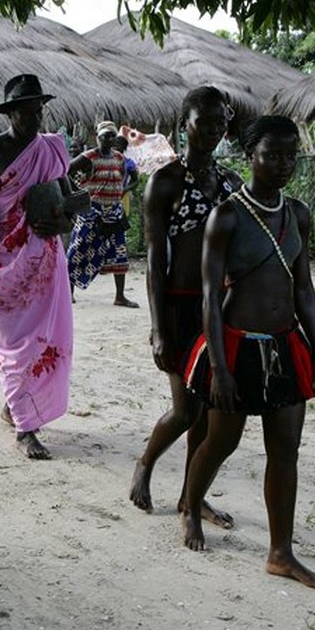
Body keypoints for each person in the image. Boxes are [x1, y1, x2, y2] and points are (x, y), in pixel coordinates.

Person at [181, 116, 315, 591]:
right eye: (273, 155)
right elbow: (208, 297)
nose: (284, 164)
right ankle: (190, 504)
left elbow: (303, 287)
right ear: (252, 156)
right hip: (237, 346)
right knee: (221, 441)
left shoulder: (298, 214)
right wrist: (221, 370)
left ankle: (280, 553)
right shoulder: (226, 216)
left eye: (291, 155)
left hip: (286, 346)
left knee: (285, 451)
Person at [130, 86, 242, 526]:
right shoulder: (165, 182)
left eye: (220, 124)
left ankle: (191, 497)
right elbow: (156, 262)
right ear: (185, 125)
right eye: (204, 123)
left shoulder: (231, 183)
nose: (213, 131)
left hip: (220, 307)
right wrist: (159, 328)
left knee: (213, 410)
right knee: (186, 408)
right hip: (178, 306)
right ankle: (146, 463)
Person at [0, 73, 74, 460]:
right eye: (26, 112)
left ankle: (21, 416)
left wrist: (62, 224)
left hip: (46, 259)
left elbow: (66, 203)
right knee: (12, 343)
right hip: (6, 263)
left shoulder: (50, 149)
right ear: (10, 113)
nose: (35, 119)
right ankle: (25, 427)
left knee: (45, 341)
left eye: (39, 111)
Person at [68, 120, 139, 307]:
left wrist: (121, 190)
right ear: (98, 137)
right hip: (92, 210)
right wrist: (77, 192)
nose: (109, 139)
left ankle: (120, 296)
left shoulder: (119, 158)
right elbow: (65, 171)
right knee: (78, 249)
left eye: (112, 136)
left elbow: (125, 177)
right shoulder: (89, 156)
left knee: (119, 251)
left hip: (114, 210)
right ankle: (69, 293)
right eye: (105, 135)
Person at [112, 135, 140, 218]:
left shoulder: (129, 163)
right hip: (106, 197)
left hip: (122, 197)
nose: (115, 149)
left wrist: (126, 189)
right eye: (113, 146)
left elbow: (136, 180)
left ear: (124, 148)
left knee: (120, 222)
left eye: (118, 146)